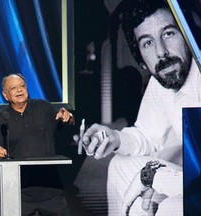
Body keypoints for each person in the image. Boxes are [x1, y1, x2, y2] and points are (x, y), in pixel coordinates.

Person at [80, 0, 201, 214]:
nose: (161, 52)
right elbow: (148, 135)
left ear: (186, 35)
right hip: (191, 177)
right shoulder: (163, 78)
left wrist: (157, 179)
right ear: (142, 61)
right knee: (120, 166)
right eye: (148, 43)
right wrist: (114, 138)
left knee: (162, 204)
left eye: (169, 34)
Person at [0, 74, 74, 216]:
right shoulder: (1, 119)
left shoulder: (43, 107)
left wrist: (68, 117)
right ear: (6, 95)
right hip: (19, 193)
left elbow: (66, 121)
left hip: (50, 190)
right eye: (13, 88)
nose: (19, 90)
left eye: (22, 86)